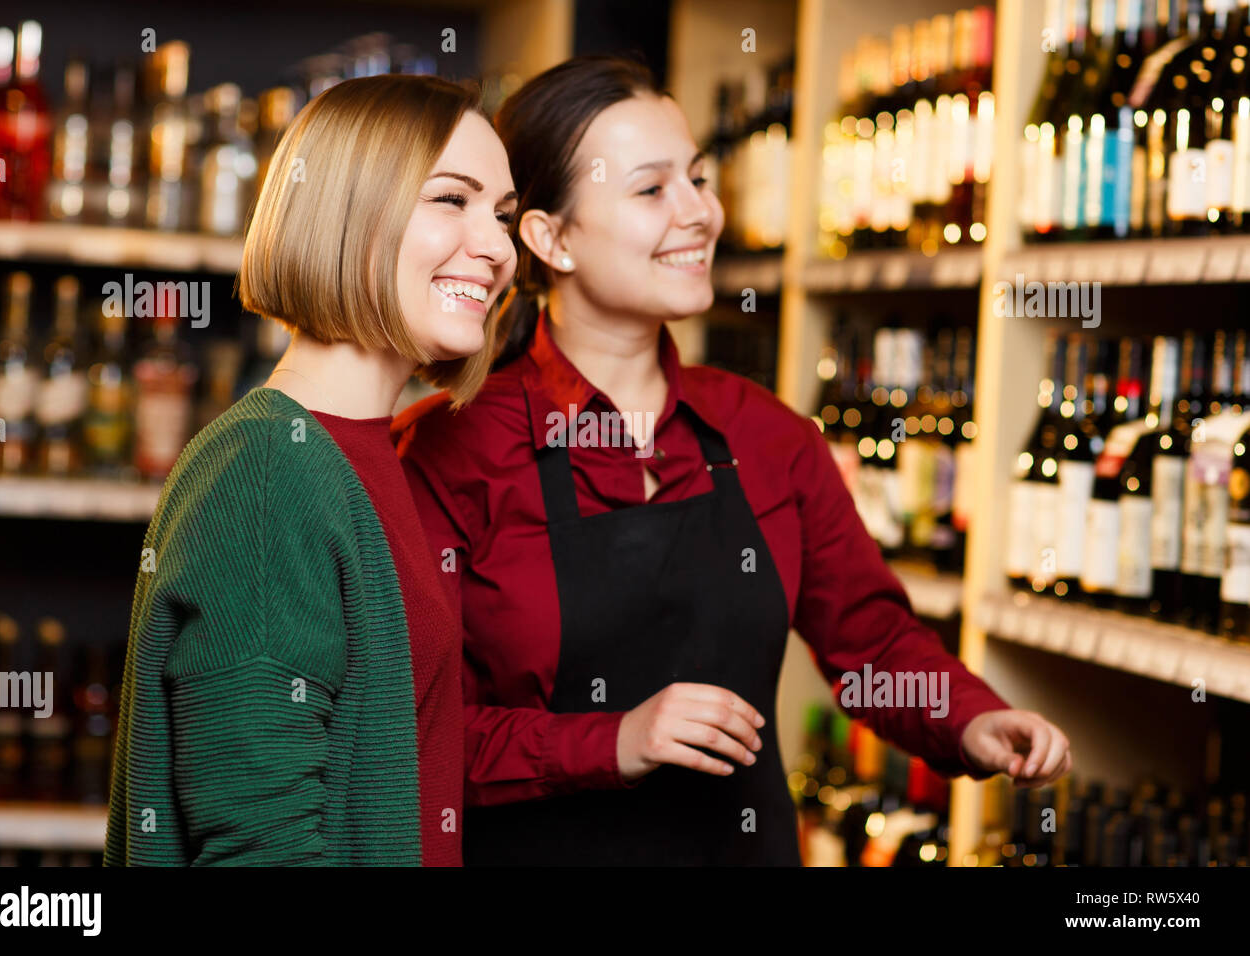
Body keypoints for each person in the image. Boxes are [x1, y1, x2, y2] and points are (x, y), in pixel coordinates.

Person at [393, 56, 1071, 866]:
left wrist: (969, 719)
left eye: (701, 179)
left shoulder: (767, 434)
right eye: (652, 190)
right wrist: (613, 740)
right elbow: (409, 735)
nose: (701, 214)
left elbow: (870, 640)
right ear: (551, 237)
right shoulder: (449, 448)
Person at [104, 74, 517, 866]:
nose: (497, 246)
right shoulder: (269, 472)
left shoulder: (366, 451)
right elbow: (263, 851)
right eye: (450, 200)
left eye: (500, 214)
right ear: (347, 211)